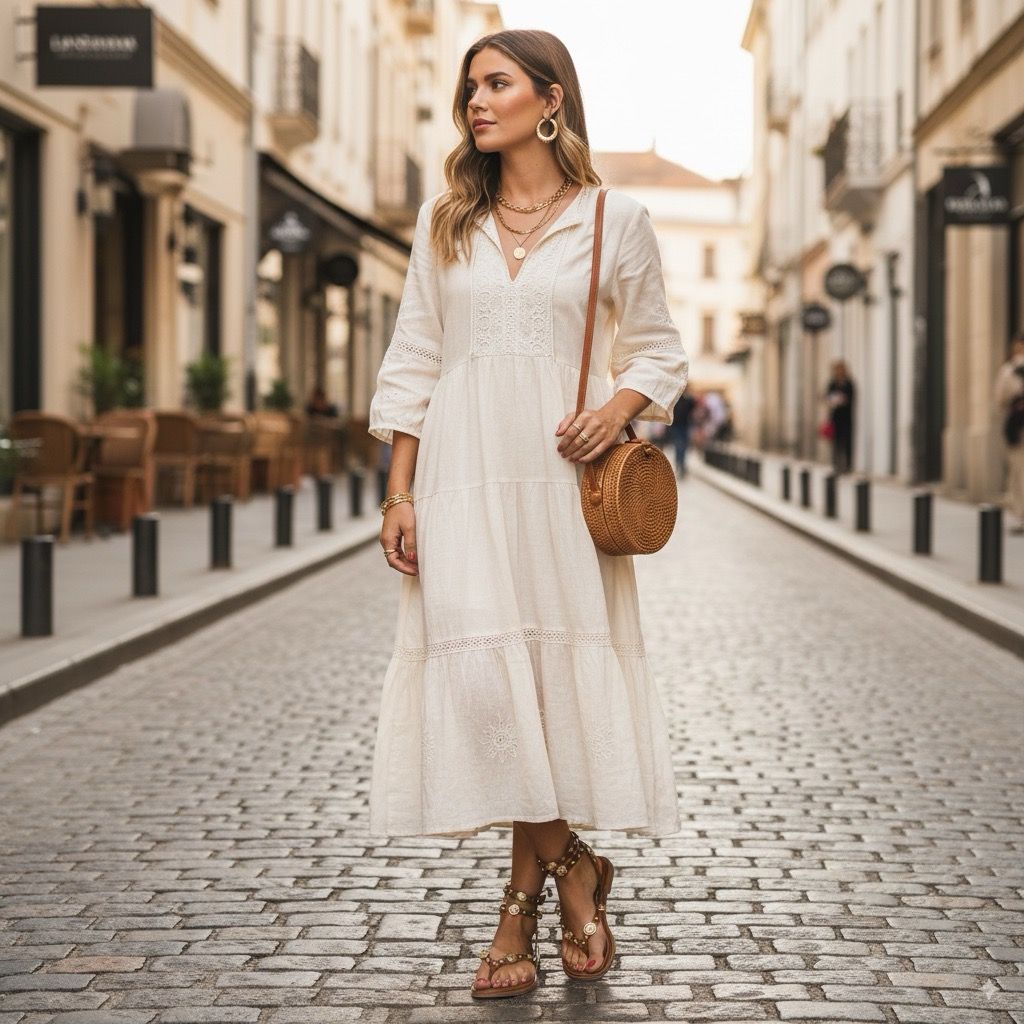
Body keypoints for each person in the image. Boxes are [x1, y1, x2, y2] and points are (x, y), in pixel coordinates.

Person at [367, 29, 688, 999]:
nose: (475, 99)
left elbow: (660, 351)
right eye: (470, 86)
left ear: (549, 100)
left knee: (541, 686)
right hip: (462, 481)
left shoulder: (613, 219)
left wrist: (615, 410)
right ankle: (573, 871)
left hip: (558, 482)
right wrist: (397, 490)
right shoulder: (444, 223)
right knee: (488, 689)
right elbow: (414, 360)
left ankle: (523, 901)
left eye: (496, 83)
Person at [994, 331, 1024, 535]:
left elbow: (999, 399)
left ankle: (1022, 515)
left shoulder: (1010, 369)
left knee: (1019, 472)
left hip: (1018, 427)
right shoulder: (1010, 369)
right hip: (1018, 427)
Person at [824, 360, 855, 474]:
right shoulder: (832, 383)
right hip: (835, 418)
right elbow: (827, 398)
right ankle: (836, 465)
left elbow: (851, 398)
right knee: (836, 443)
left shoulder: (849, 383)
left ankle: (847, 466)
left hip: (846, 418)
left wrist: (841, 399)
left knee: (847, 442)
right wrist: (834, 400)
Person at [670, 390, 696, 478]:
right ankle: (680, 465)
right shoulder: (681, 400)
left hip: (681, 426)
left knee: (680, 446)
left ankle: (680, 465)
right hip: (680, 426)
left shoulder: (683, 400)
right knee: (681, 446)